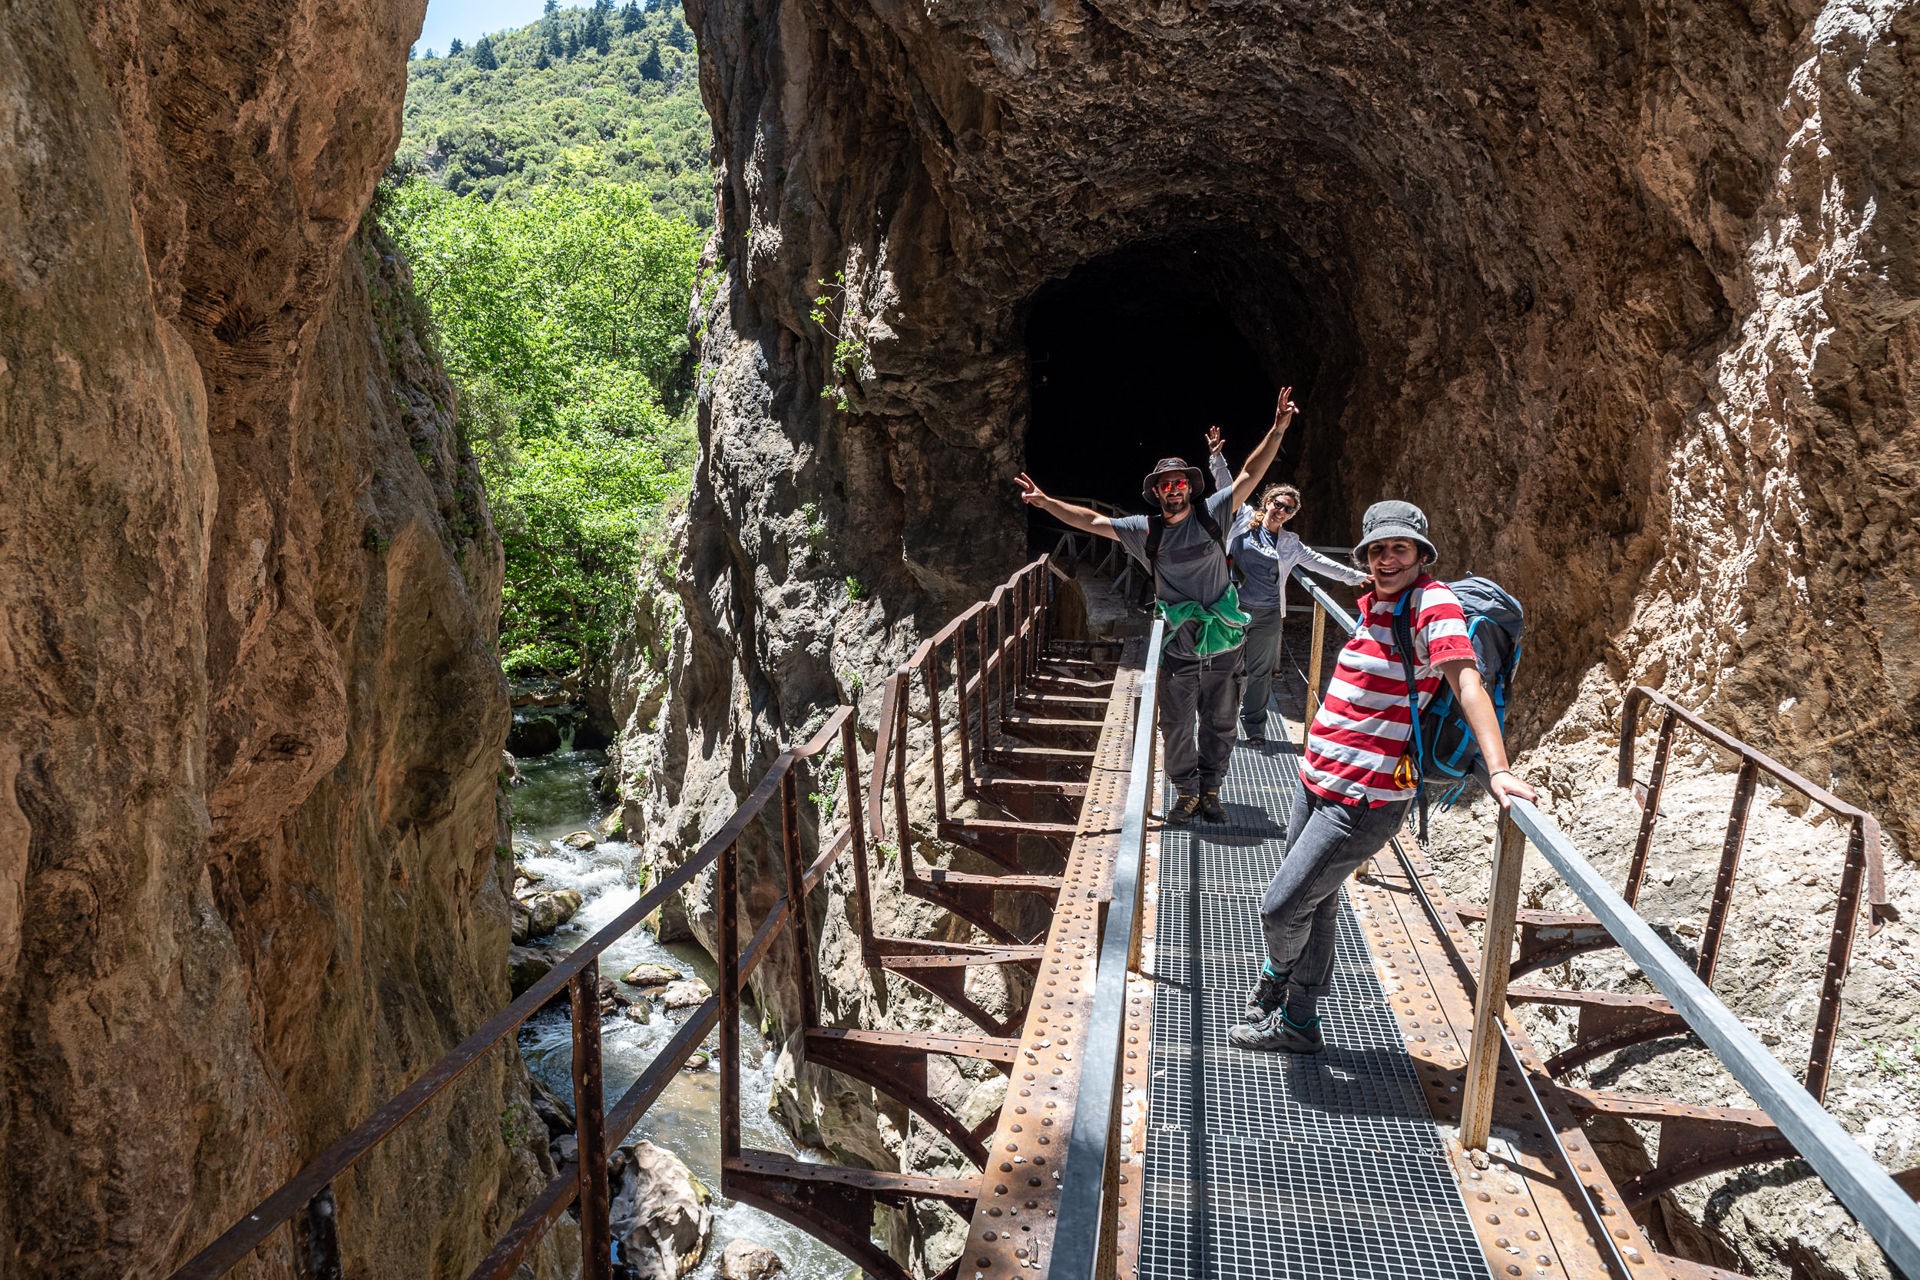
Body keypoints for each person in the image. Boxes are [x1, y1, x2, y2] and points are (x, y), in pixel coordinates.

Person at [1229, 500, 1537, 1053]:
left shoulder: (1431, 603)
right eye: (1377, 549)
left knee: (1281, 906)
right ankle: (1300, 1025)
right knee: (1316, 902)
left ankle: (1274, 980)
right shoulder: (1376, 605)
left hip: (1362, 797)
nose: (1386, 558)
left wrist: (1499, 769)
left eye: (1399, 548)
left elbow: (1466, 681)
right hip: (1317, 776)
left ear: (1422, 553)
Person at [1016, 389, 1300, 825]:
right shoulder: (1144, 531)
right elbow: (1091, 521)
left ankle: (1211, 791)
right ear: (1157, 492)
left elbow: (1249, 473)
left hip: (1223, 639)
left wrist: (1278, 428)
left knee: (1221, 722)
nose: (1174, 490)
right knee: (1177, 724)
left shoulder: (1213, 514)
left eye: (1180, 483)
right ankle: (1185, 792)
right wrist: (1046, 501)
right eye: (1166, 485)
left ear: (1189, 486)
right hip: (1179, 645)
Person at [1203, 439, 1370, 743]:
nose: (1280, 510)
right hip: (1231, 610)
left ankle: (1254, 729)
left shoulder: (1291, 543)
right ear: (1266, 502)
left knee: (1260, 673)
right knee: (1224, 668)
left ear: (1292, 515)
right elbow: (1229, 488)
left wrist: (1356, 577)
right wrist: (1217, 457)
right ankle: (1217, 724)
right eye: (1277, 504)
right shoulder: (1242, 521)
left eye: (1288, 509)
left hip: (1267, 614)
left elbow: (1321, 563)